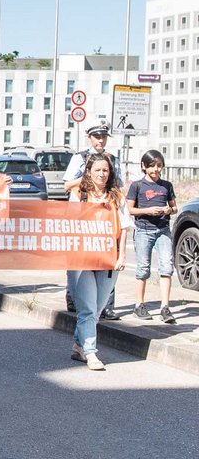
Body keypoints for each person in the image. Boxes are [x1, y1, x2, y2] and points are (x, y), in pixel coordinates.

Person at [69, 152, 133, 370]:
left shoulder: (117, 197)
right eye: (97, 170)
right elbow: (67, 224)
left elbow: (124, 228)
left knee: (96, 309)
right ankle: (91, 353)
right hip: (81, 259)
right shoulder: (79, 195)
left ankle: (78, 345)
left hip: (107, 260)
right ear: (89, 172)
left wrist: (121, 255)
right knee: (87, 309)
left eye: (105, 170)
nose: (102, 174)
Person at [63, 123, 122, 319]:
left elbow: (118, 184)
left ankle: (106, 306)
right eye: (96, 136)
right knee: (81, 264)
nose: (100, 140)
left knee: (107, 260)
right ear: (89, 137)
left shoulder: (113, 159)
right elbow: (67, 185)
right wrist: (89, 178)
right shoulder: (79, 158)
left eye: (103, 137)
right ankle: (75, 298)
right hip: (85, 214)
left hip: (106, 214)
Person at [127, 149, 178, 323]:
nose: (156, 169)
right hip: (144, 230)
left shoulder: (166, 185)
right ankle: (139, 305)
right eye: (152, 166)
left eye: (159, 166)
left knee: (166, 267)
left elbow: (174, 207)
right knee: (143, 268)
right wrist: (148, 210)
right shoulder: (137, 186)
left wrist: (168, 209)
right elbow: (130, 209)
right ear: (143, 166)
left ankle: (165, 307)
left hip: (163, 229)